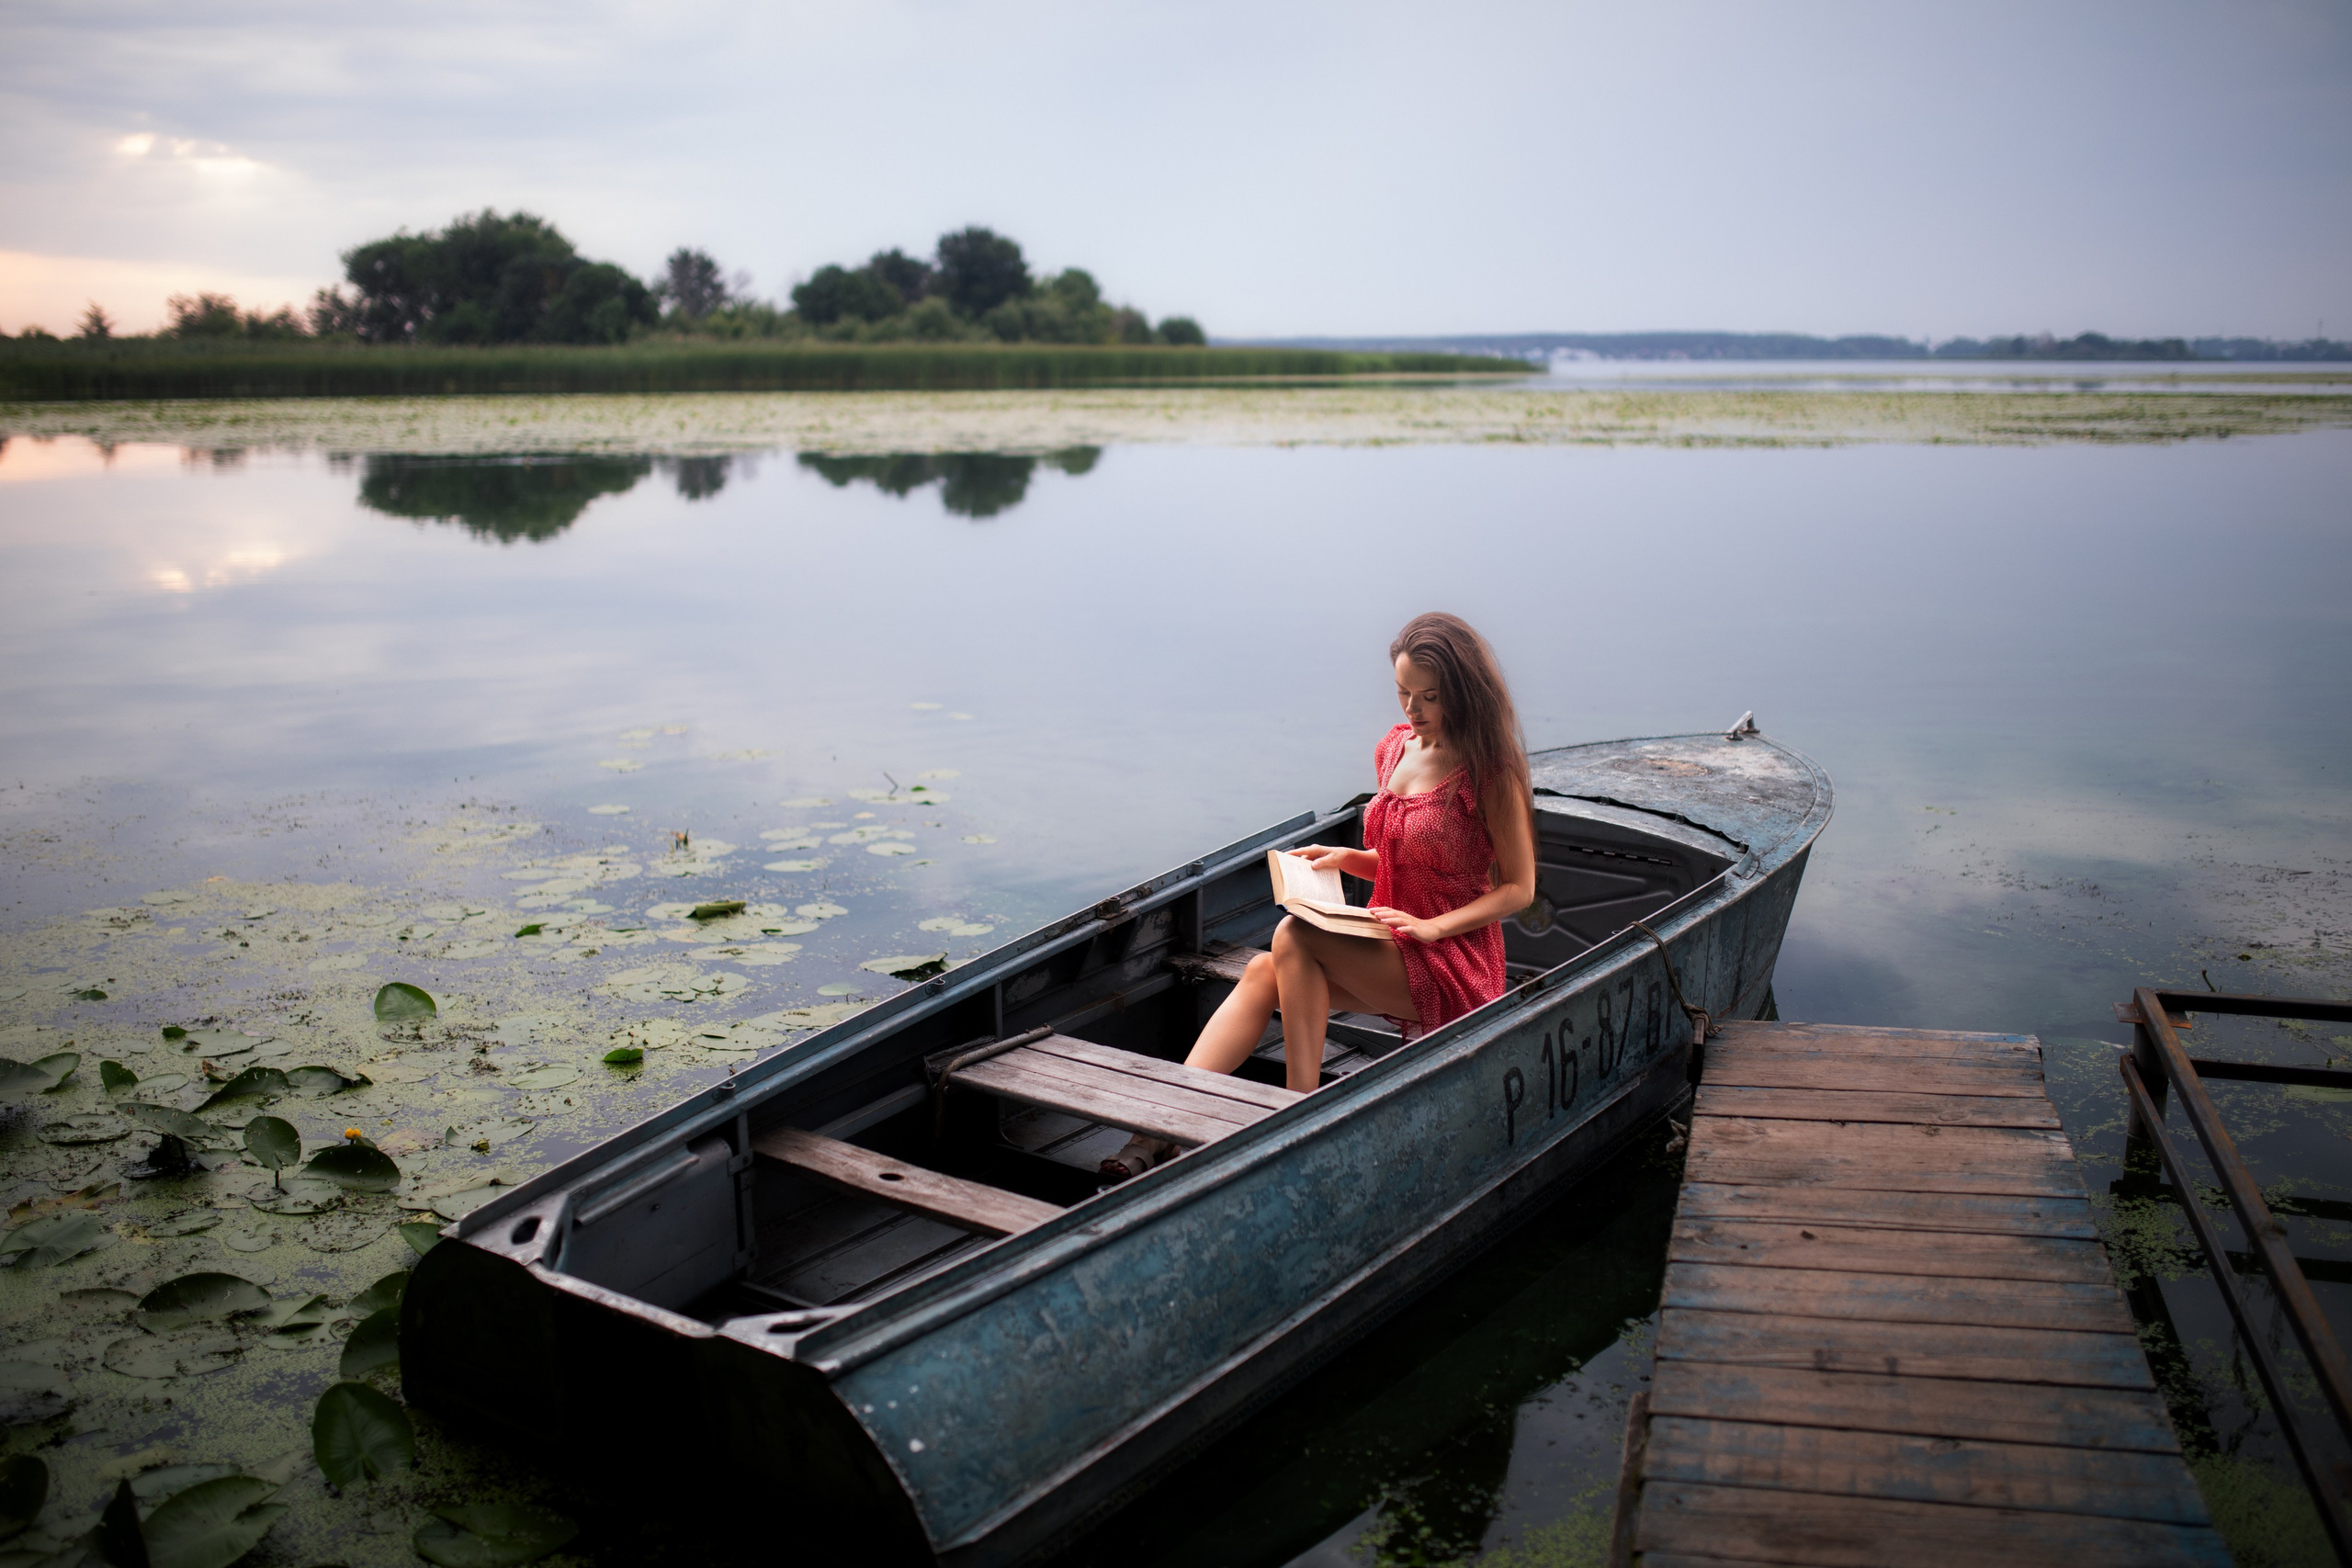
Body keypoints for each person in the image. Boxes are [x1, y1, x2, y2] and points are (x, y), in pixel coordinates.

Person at [1101, 612, 1537, 1182]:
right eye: (1403, 692)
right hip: (1388, 936)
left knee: (1294, 936)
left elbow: (1518, 889)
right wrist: (1348, 860)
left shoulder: (1489, 772)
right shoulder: (1395, 749)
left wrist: (1433, 927)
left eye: (1429, 696)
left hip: (1451, 958)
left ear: (1463, 691)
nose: (1412, 709)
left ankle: (1298, 1111)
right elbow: (1417, 858)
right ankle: (1159, 1128)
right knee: (1264, 973)